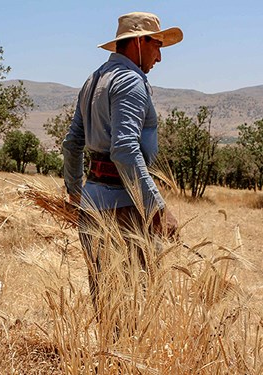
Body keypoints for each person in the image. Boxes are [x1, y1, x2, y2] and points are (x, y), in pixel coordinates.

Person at [62, 12, 181, 314]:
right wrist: (156, 207)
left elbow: (72, 142)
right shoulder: (130, 81)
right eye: (158, 46)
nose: (160, 57)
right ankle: (125, 361)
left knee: (105, 302)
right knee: (133, 305)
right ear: (140, 42)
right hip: (124, 209)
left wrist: (76, 191)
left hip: (92, 205)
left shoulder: (94, 79)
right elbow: (126, 150)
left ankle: (107, 361)